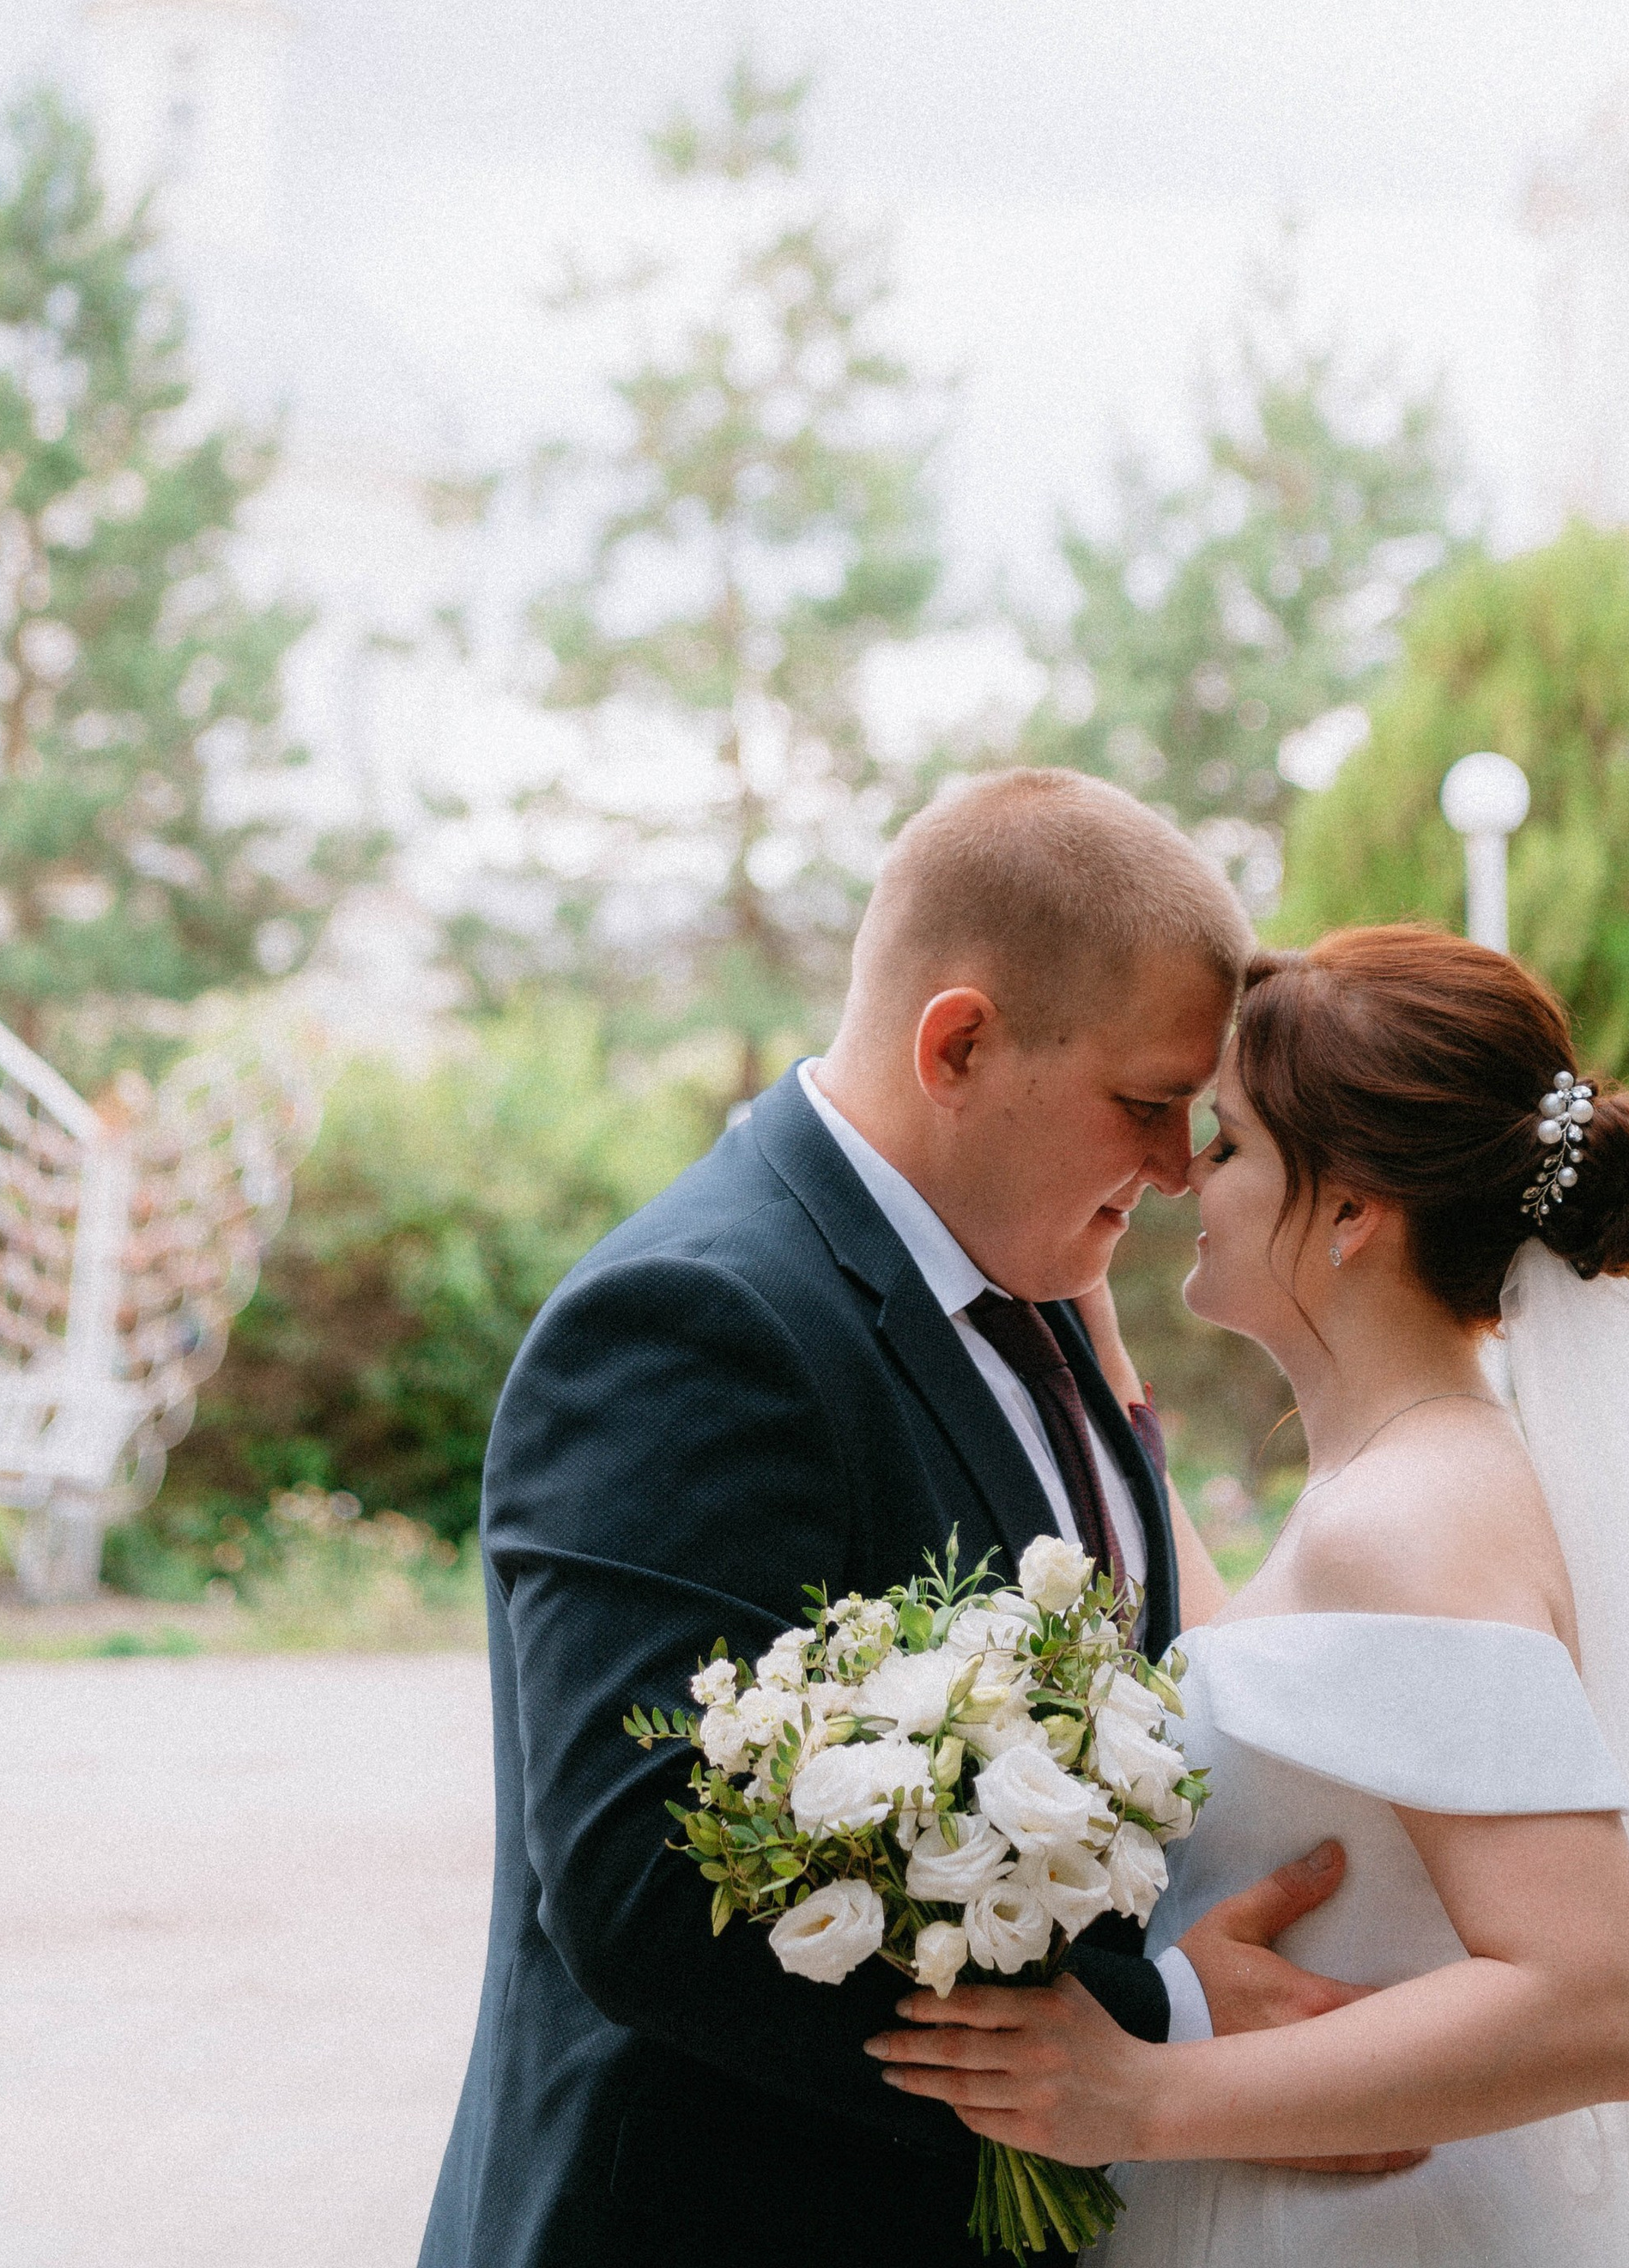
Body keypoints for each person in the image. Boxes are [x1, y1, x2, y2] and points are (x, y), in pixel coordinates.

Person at [417, 773, 1411, 2268]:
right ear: (959, 1043)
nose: (1168, 1168)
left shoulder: (1034, 1272)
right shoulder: (691, 1323)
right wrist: (1171, 2026)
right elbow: (646, 1897)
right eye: (1146, 1105)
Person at [869, 925, 1629, 2266]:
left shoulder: (1416, 1517)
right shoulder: (1404, 1480)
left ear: (1353, 1211)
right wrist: (1101, 1357)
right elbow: (1266, 1658)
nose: (1186, 1172)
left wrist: (1141, 2094)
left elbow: (1589, 2002)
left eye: (1230, 1145)